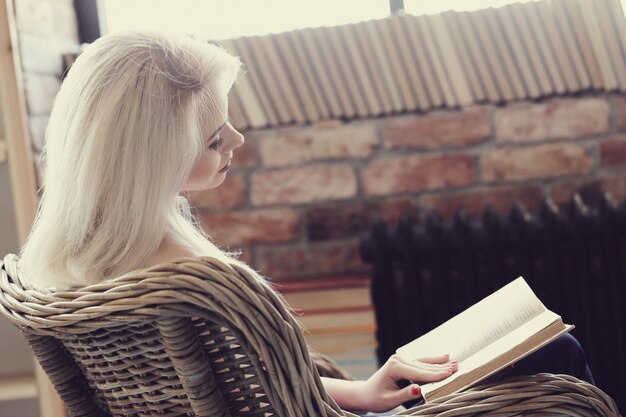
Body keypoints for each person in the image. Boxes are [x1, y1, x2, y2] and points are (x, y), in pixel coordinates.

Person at [17, 31, 592, 414]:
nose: (238, 142)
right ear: (152, 155)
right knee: (557, 352)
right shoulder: (193, 282)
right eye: (216, 139)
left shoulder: (74, 268)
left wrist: (366, 390)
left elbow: (250, 387)